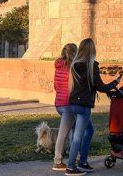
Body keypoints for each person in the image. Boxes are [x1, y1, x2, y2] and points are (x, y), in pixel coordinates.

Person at [65, 38, 122, 176]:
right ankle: (71, 167)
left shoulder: (74, 65)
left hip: (73, 104)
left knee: (89, 131)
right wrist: (116, 82)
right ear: (92, 50)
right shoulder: (91, 66)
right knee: (78, 137)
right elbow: (101, 87)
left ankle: (83, 162)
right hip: (83, 106)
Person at [53, 43, 78, 171]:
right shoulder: (72, 67)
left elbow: (56, 86)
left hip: (59, 103)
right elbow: (74, 87)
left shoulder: (58, 66)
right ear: (74, 53)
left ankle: (74, 156)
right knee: (63, 133)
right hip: (68, 104)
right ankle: (57, 161)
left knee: (74, 130)